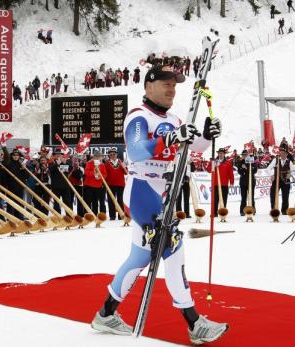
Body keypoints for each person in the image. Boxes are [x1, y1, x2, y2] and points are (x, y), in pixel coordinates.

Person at [91, 65, 227, 344]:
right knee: (172, 246)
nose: (171, 89)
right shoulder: (138, 117)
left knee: (140, 257)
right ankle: (194, 323)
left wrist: (206, 134)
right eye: (165, 83)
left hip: (162, 193)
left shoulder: (176, 118)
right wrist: (171, 137)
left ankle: (105, 313)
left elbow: (195, 147)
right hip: (142, 190)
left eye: (174, 85)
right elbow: (137, 149)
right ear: (148, 86)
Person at [267, 145, 294, 214]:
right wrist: (271, 175)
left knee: (285, 196)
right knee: (273, 194)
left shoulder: (289, 162)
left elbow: (292, 171)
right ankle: (274, 209)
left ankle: (284, 210)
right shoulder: (275, 160)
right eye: (281, 153)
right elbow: (268, 168)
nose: (282, 154)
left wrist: (289, 174)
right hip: (276, 180)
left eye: (284, 153)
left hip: (285, 181)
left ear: (287, 154)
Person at [208, 148, 234, 216]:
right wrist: (211, 162)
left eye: (222, 153)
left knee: (224, 199)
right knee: (215, 199)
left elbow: (231, 173)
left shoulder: (228, 162)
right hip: (215, 183)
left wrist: (231, 182)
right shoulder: (214, 161)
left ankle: (223, 212)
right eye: (219, 153)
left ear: (224, 154)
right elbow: (208, 170)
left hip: (224, 184)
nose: (220, 154)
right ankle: (214, 213)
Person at [104, 148, 127, 220]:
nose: (112, 156)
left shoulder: (121, 162)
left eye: (114, 154)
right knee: (111, 201)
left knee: (120, 200)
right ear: (109, 155)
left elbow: (126, 172)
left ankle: (121, 216)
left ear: (117, 154)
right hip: (110, 184)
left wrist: (124, 166)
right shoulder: (106, 163)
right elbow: (104, 174)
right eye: (110, 154)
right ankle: (112, 216)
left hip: (120, 184)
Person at [83, 151, 107, 215]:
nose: (97, 158)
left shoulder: (102, 164)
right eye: (96, 157)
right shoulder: (89, 163)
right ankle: (88, 215)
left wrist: (100, 177)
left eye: (99, 157)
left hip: (98, 186)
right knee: (88, 201)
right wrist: (94, 174)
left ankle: (96, 214)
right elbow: (86, 172)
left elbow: (105, 174)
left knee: (95, 202)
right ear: (93, 157)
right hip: (89, 185)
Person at [236, 149, 257, 216]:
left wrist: (247, 168)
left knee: (251, 197)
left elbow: (255, 170)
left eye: (245, 155)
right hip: (243, 182)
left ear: (248, 155)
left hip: (251, 182)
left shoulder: (252, 161)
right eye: (243, 155)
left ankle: (253, 210)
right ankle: (242, 211)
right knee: (243, 197)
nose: (244, 156)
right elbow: (239, 172)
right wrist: (243, 169)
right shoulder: (240, 162)